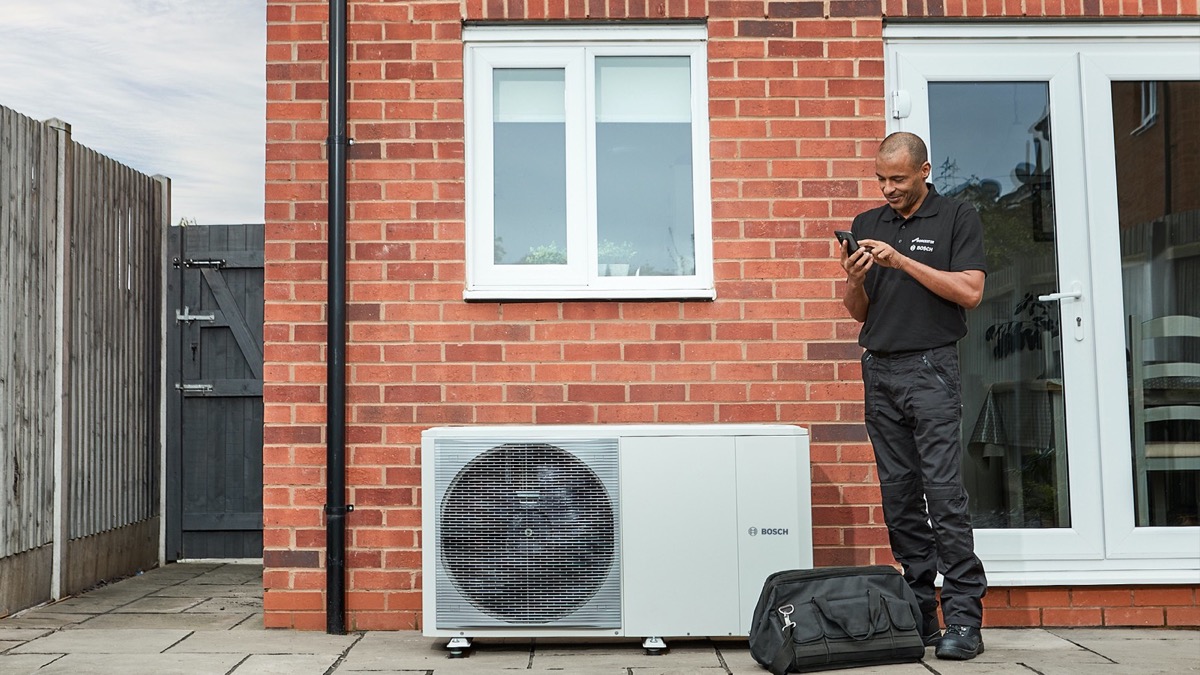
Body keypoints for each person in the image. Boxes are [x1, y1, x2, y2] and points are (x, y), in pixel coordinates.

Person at [839, 132, 989, 661]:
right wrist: (853, 279)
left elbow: (971, 291)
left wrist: (902, 261)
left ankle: (964, 619)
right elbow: (858, 311)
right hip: (879, 370)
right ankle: (921, 613)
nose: (888, 188)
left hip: (931, 369)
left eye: (897, 179)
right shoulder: (867, 223)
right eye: (881, 179)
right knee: (899, 498)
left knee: (944, 495)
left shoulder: (957, 217)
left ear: (924, 171)